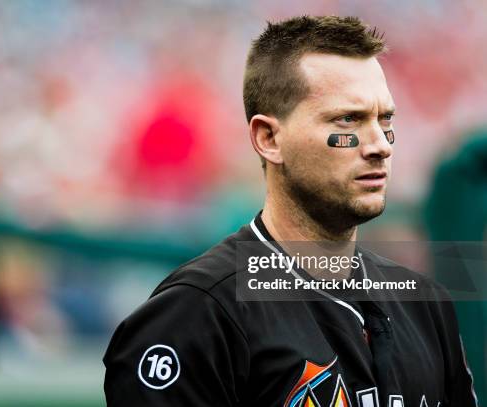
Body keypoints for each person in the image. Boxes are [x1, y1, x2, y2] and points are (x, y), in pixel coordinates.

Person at [103, 16, 478, 406]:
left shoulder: (424, 304)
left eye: (385, 120)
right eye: (347, 119)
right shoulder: (197, 313)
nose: (379, 144)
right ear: (268, 138)